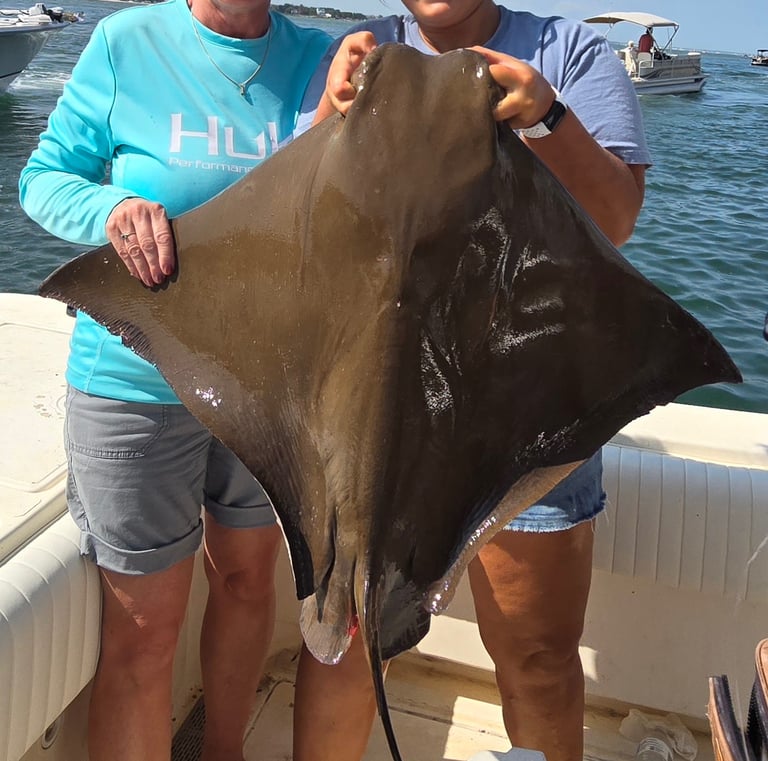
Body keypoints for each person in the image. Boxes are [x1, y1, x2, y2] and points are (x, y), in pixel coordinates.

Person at [291, 3, 651, 761]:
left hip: (528, 404)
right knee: (346, 639)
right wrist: (333, 102)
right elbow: (300, 215)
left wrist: (548, 116)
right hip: (377, 405)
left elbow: (615, 219)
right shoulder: (361, 52)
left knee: (538, 657)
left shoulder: (570, 52)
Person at [18, 1, 330, 759]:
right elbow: (44, 178)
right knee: (144, 630)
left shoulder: (323, 57)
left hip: (265, 389)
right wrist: (113, 207)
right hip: (135, 380)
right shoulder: (128, 42)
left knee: (249, 583)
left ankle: (224, 750)